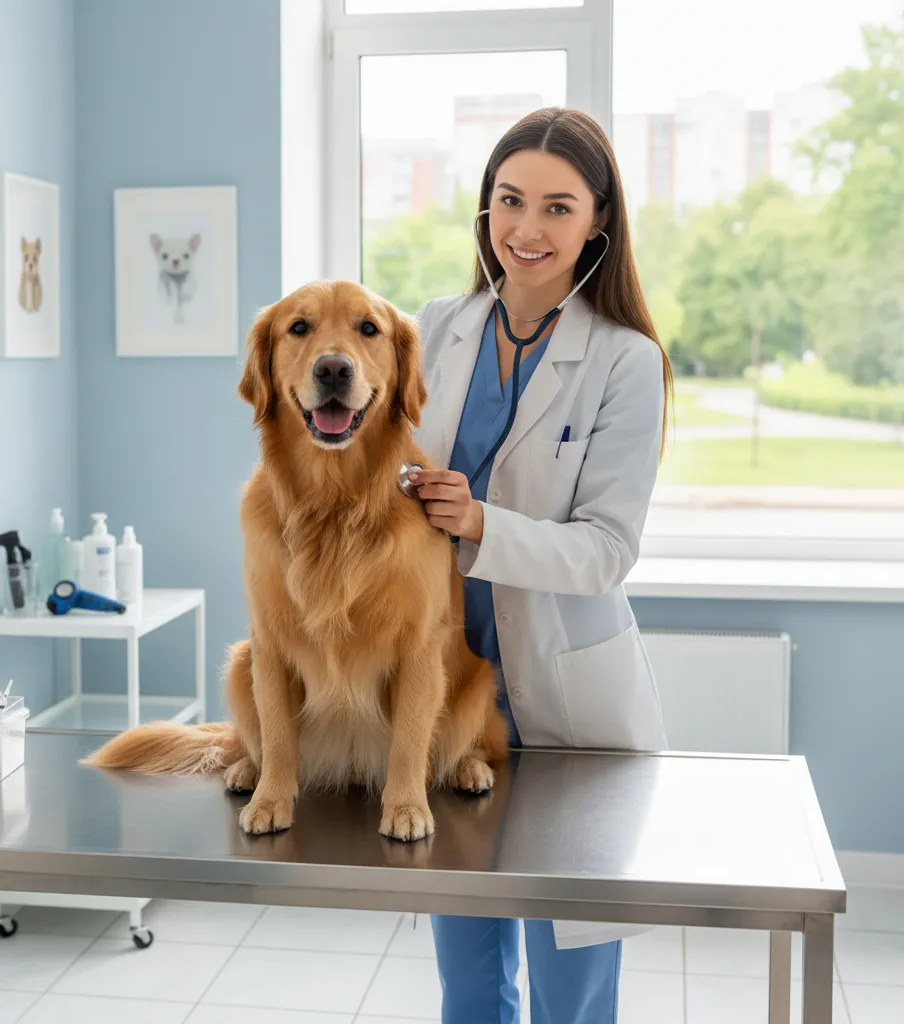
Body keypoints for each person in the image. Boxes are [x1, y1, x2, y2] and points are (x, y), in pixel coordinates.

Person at [408, 107, 674, 1024]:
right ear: (484, 209)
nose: (527, 229)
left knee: (572, 991)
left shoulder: (624, 361)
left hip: (569, 715)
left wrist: (481, 521)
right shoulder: (435, 328)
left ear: (599, 219)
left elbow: (607, 550)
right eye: (509, 200)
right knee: (470, 983)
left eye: (558, 207)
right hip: (452, 706)